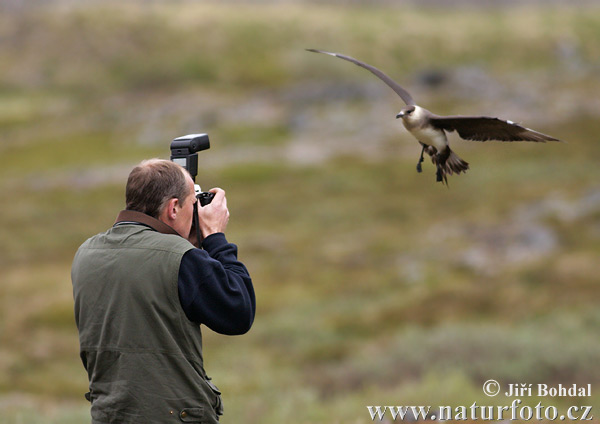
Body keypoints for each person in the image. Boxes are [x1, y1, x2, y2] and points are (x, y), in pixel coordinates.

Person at [71, 159, 256, 423]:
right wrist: (215, 236)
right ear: (173, 208)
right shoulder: (183, 259)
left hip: (110, 415)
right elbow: (239, 312)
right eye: (193, 204)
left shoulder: (86, 253)